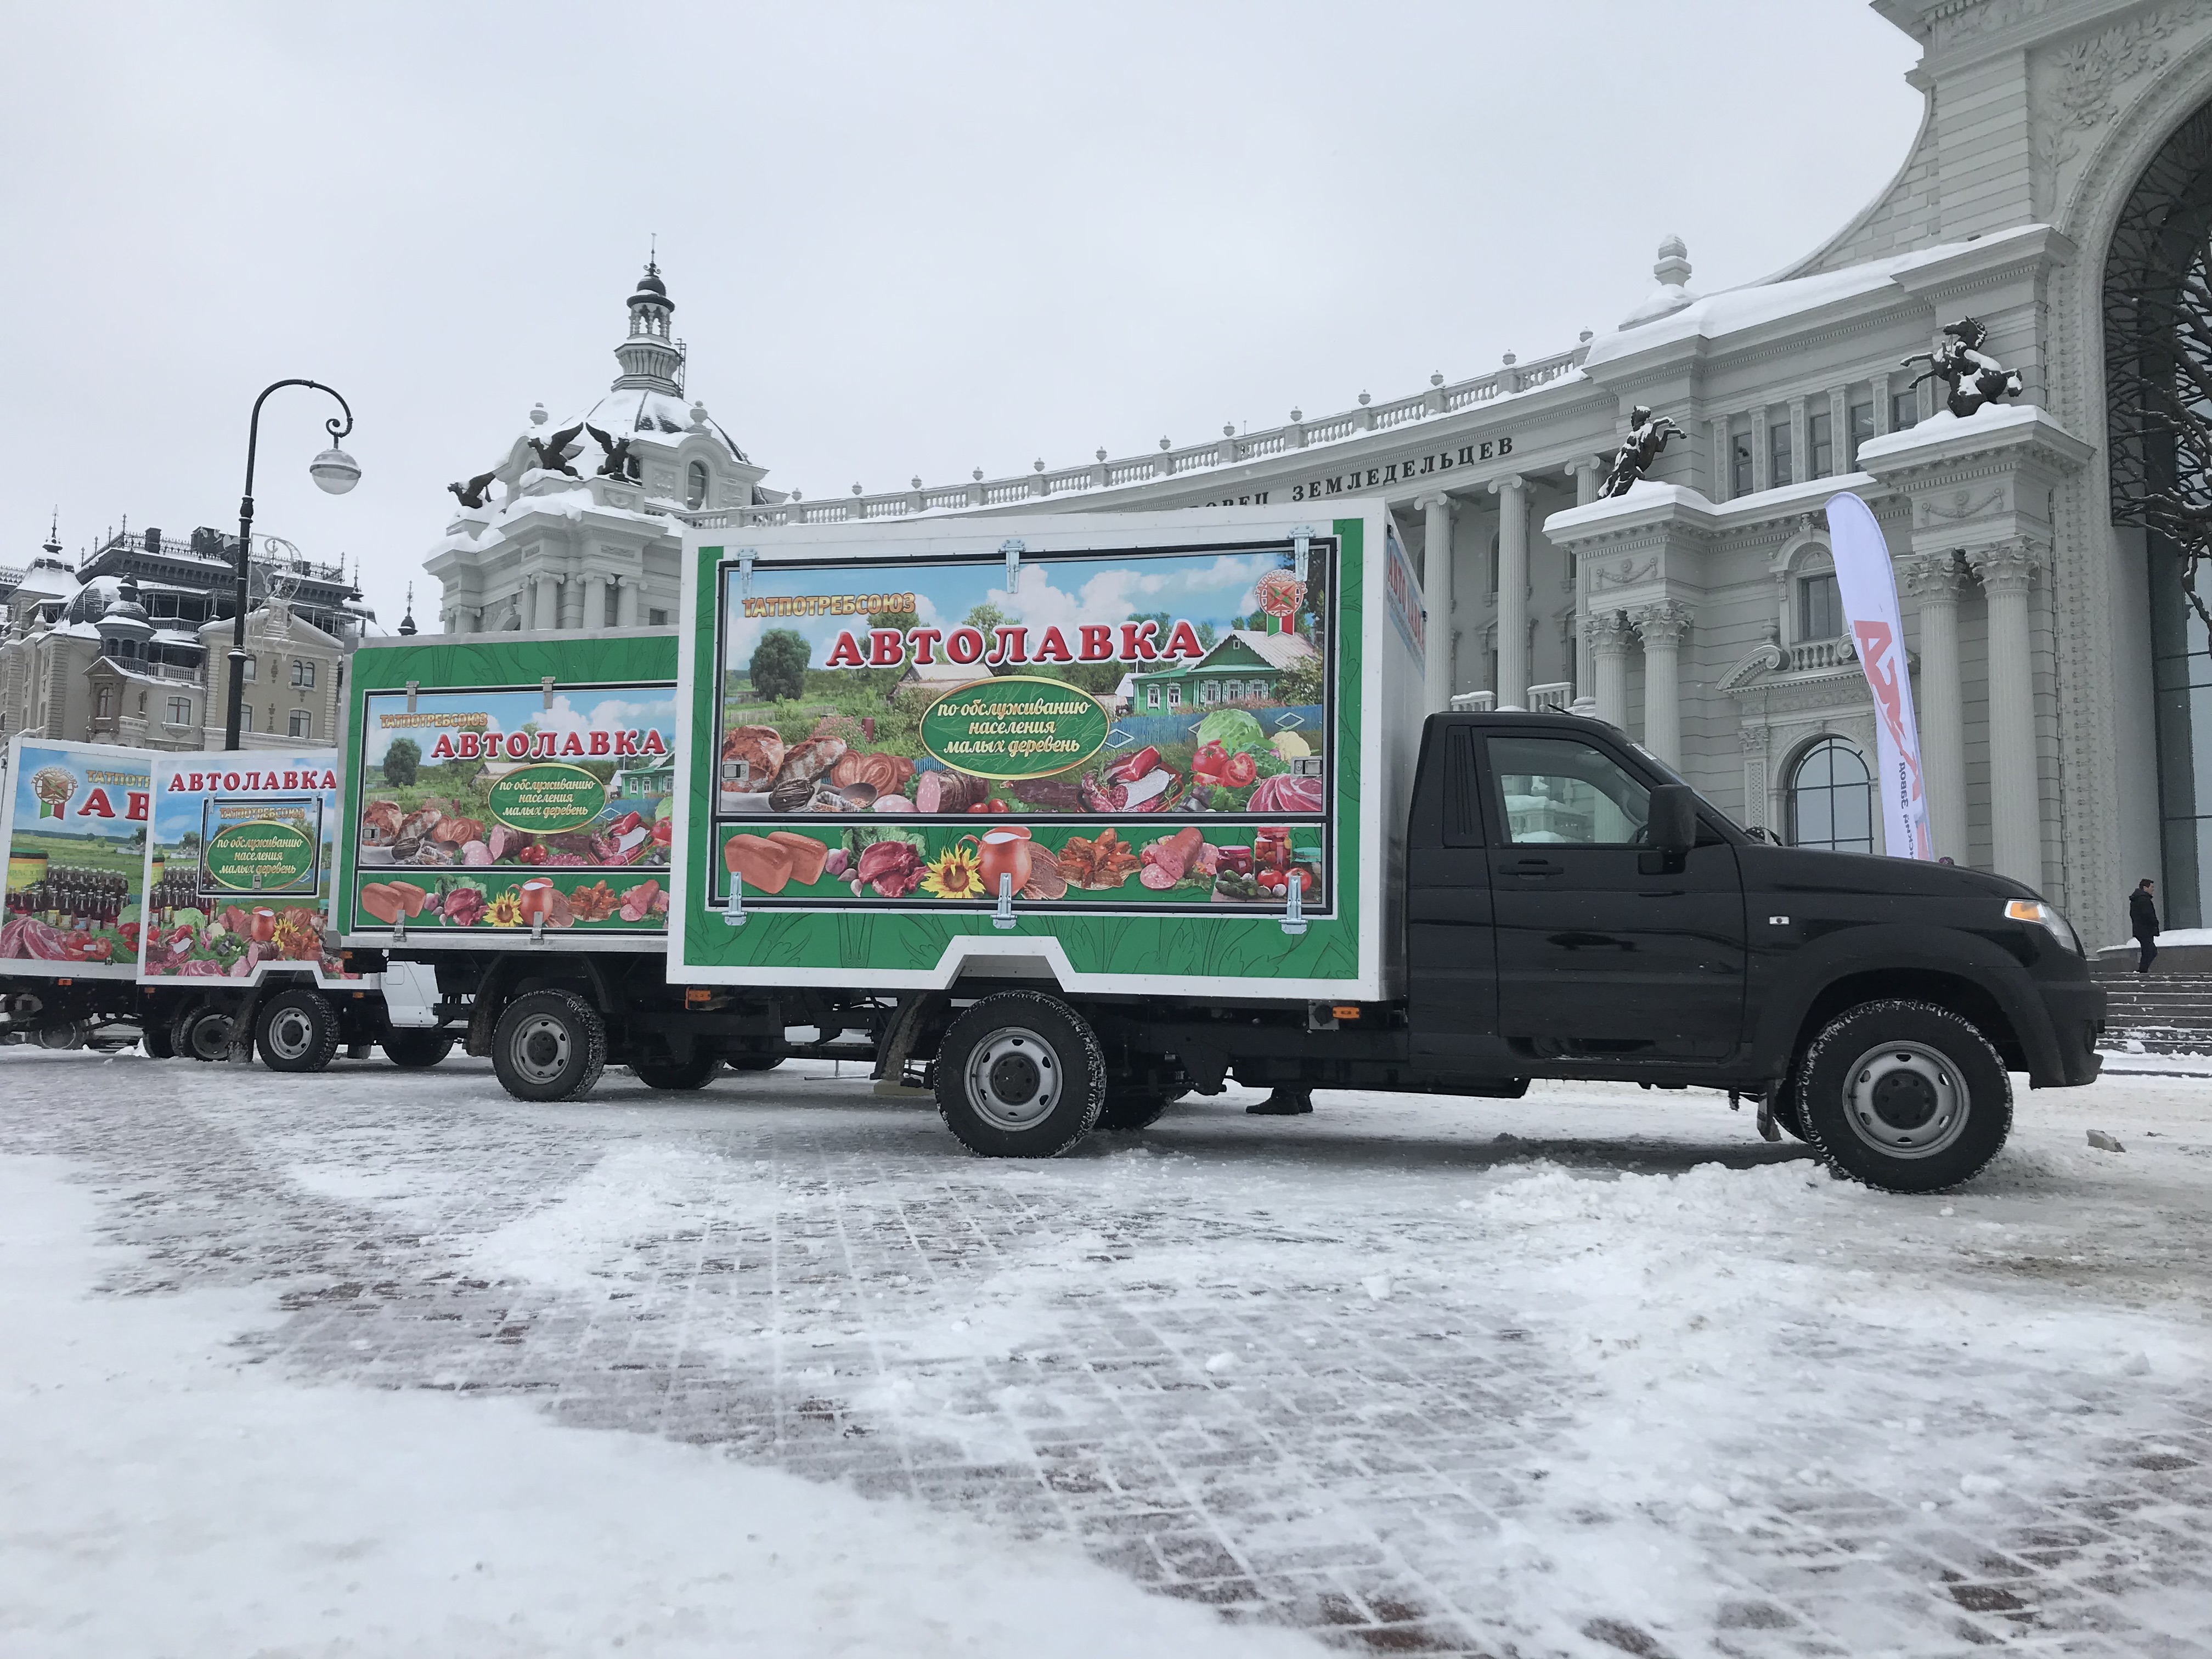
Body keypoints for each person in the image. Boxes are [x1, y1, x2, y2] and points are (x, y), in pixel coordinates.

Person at [2130, 877, 2162, 974]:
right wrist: (2155, 923)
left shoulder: (2136, 899)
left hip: (2140, 930)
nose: (2153, 889)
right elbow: (2148, 915)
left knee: (2149, 950)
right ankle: (2143, 970)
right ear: (2145, 888)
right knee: (2150, 951)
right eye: (2151, 887)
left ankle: (2143, 970)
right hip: (2146, 930)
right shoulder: (2144, 900)